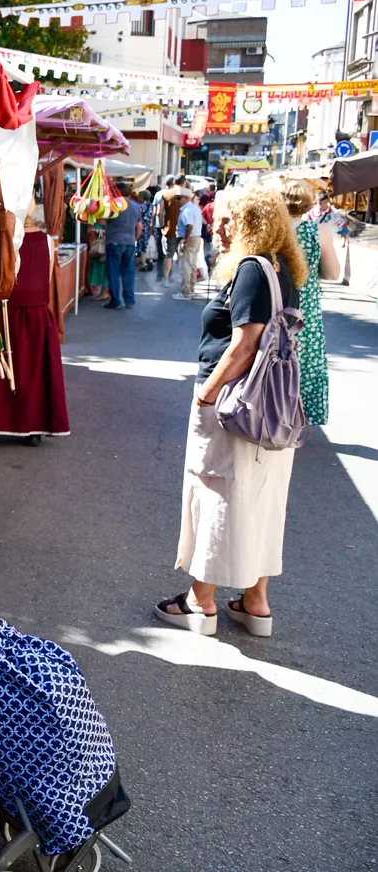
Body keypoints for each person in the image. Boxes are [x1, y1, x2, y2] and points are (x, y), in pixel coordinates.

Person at [155, 186, 306, 638]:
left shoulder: (250, 270)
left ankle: (200, 603)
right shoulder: (283, 269)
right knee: (261, 502)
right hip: (273, 409)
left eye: (227, 220)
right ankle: (256, 602)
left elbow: (242, 348)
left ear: (251, 225)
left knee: (216, 494)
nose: (216, 226)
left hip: (234, 403)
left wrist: (205, 395)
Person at [0, 214, 70, 440]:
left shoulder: (1, 239)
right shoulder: (47, 241)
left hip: (4, 312)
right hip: (35, 314)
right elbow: (46, 278)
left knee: (1, 368)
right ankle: (33, 428)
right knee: (33, 372)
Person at [280, 179, 334, 425]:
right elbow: (333, 274)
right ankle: (299, 418)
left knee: (273, 358)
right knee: (305, 363)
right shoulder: (318, 232)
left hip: (276, 304)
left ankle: (271, 412)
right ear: (310, 203)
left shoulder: (274, 231)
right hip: (307, 309)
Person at [102, 181, 142, 310]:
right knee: (128, 272)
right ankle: (129, 301)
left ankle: (115, 300)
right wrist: (134, 238)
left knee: (113, 271)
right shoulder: (136, 206)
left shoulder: (113, 205)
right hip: (129, 241)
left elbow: (103, 221)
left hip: (114, 241)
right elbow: (139, 226)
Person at [173, 187, 205, 299]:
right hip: (195, 237)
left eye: (179, 198)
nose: (177, 201)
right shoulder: (195, 208)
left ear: (186, 198)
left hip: (189, 238)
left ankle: (186, 291)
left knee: (186, 265)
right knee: (192, 264)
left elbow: (189, 225)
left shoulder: (187, 210)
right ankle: (191, 289)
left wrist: (185, 241)